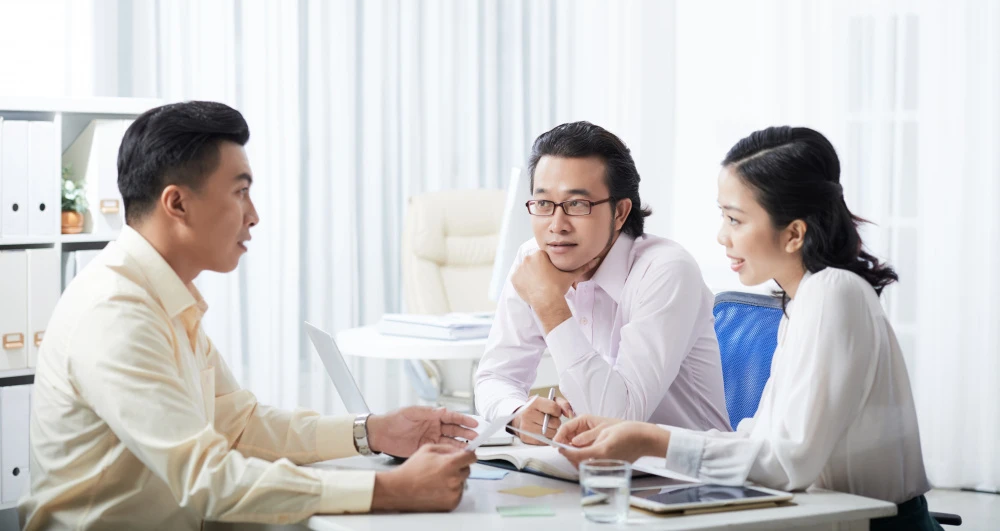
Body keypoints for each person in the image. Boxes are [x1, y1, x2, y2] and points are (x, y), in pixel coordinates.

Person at [20, 101, 478, 530]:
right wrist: (392, 489)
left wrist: (373, 432)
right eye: (240, 192)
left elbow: (239, 426)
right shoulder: (116, 315)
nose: (253, 215)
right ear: (177, 203)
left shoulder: (164, 296)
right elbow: (207, 478)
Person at [554, 126, 942, 530]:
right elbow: (760, 442)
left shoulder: (832, 293)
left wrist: (652, 441)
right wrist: (635, 433)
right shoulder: (807, 298)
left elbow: (787, 462)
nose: (722, 236)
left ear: (793, 233)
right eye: (723, 216)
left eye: (735, 219)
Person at [474, 121, 730, 446]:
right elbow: (494, 376)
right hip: (588, 472)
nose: (557, 225)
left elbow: (618, 420)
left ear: (620, 212)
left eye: (577, 205)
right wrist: (516, 413)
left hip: (687, 482)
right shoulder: (534, 259)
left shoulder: (665, 270)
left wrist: (550, 305)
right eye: (543, 204)